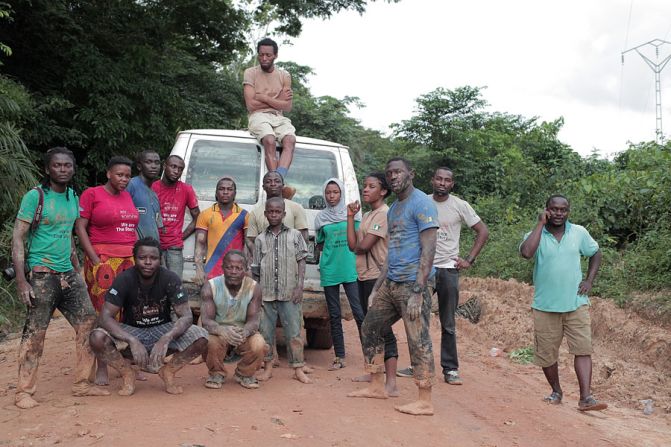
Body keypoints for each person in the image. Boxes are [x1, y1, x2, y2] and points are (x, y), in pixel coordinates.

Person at [11, 147, 109, 409]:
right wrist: (22, 280)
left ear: (73, 169)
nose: (63, 169)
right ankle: (24, 391)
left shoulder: (72, 196)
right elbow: (18, 238)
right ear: (47, 169)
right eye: (57, 165)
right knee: (35, 333)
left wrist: (77, 269)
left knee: (88, 323)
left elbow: (68, 234)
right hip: (41, 275)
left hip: (68, 273)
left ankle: (81, 384)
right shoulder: (35, 197)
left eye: (67, 165)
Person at [348, 157, 438, 416]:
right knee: (371, 326)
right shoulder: (396, 208)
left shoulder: (422, 203)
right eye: (390, 173)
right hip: (392, 280)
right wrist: (377, 287)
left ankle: (425, 399)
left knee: (418, 338)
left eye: (398, 172)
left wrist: (419, 292)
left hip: (413, 284)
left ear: (412, 173)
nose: (394, 176)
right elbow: (393, 252)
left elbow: (429, 249)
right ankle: (377, 385)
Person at [397, 167, 489, 385]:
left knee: (448, 322)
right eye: (438, 178)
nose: (442, 183)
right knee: (418, 318)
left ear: (452, 184)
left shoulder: (460, 205)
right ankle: (417, 365)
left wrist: (469, 259)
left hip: (448, 269)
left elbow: (483, 231)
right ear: (432, 180)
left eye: (447, 180)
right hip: (423, 270)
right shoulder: (420, 201)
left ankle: (450, 369)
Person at [519, 195, 607, 412]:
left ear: (568, 211)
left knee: (583, 349)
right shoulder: (535, 235)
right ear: (546, 210)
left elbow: (595, 253)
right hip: (545, 306)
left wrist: (589, 280)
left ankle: (586, 398)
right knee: (547, 355)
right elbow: (526, 253)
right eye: (554, 209)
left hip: (576, 303)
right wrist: (540, 224)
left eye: (563, 210)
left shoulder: (578, 232)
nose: (559, 214)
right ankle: (556, 391)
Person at [88, 237, 208, 396]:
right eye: (142, 257)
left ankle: (169, 371)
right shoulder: (124, 279)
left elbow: (186, 315)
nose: (148, 262)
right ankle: (127, 373)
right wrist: (131, 340)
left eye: (153, 258)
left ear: (161, 259)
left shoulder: (170, 278)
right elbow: (105, 316)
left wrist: (167, 337)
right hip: (132, 330)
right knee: (97, 336)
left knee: (202, 337)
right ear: (135, 259)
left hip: (162, 329)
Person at [76, 155, 139, 385]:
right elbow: (80, 227)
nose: (124, 179)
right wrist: (95, 260)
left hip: (129, 260)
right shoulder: (92, 194)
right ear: (108, 174)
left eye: (127, 176)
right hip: (103, 259)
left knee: (130, 310)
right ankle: (102, 364)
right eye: (120, 175)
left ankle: (128, 362)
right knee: (105, 311)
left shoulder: (127, 196)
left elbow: (132, 230)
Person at [346, 172, 399, 396]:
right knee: (368, 327)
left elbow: (363, 246)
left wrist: (358, 244)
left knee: (382, 328)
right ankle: (373, 372)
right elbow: (352, 246)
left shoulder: (384, 214)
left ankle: (392, 383)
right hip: (363, 275)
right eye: (364, 186)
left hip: (377, 277)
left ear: (384, 191)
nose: (365, 190)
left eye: (371, 186)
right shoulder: (368, 215)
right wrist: (350, 217)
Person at [252, 198, 311, 384]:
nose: (274, 214)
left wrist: (300, 286)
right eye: (271, 211)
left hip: (289, 292)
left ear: (284, 214)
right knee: (266, 333)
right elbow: (255, 269)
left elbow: (302, 260)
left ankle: (298, 368)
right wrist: (256, 293)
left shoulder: (295, 235)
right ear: (266, 214)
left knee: (294, 333)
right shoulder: (260, 239)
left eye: (278, 212)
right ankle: (268, 368)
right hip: (266, 294)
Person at [314, 178, 365, 370]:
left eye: (335, 192)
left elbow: (360, 239)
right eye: (328, 192)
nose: (332, 196)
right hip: (329, 269)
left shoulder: (353, 214)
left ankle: (369, 353)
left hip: (350, 268)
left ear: (341, 194)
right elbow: (319, 244)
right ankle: (340, 357)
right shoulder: (320, 218)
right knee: (334, 315)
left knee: (359, 313)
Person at [200, 250, 268, 390]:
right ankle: (216, 373)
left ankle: (244, 374)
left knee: (259, 344)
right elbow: (206, 320)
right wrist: (221, 330)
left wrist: (244, 332)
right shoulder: (210, 286)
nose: (233, 271)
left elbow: (254, 320)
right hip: (219, 331)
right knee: (209, 341)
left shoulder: (254, 288)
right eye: (229, 267)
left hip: (242, 331)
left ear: (245, 269)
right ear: (222, 268)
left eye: (238, 268)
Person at [243, 38, 296, 179]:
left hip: (279, 117)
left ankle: (279, 178)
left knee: (290, 140)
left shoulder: (284, 76)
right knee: (269, 140)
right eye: (261, 55)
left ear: (275, 55)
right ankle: (275, 180)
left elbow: (287, 106)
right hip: (258, 116)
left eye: (268, 55)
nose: (264, 58)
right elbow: (251, 105)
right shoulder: (250, 73)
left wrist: (264, 98)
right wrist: (278, 100)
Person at [151, 155, 200, 277]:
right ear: (164, 166)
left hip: (174, 248)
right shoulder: (152, 187)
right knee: (151, 285)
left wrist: (181, 236)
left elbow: (198, 217)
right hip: (153, 245)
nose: (176, 171)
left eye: (180, 169)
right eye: (173, 167)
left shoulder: (186, 189)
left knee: (174, 286)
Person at [194, 177, 249, 285]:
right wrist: (199, 269)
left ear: (235, 193)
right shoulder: (205, 214)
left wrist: (246, 269)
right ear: (216, 192)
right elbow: (200, 244)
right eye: (221, 189)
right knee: (209, 301)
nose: (225, 192)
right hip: (211, 270)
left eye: (229, 189)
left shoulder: (244, 215)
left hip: (236, 271)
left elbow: (248, 245)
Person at [126, 150, 163, 242]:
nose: (153, 166)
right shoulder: (131, 185)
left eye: (157, 163)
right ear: (139, 166)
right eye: (148, 162)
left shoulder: (154, 194)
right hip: (134, 248)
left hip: (151, 249)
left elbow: (158, 224)